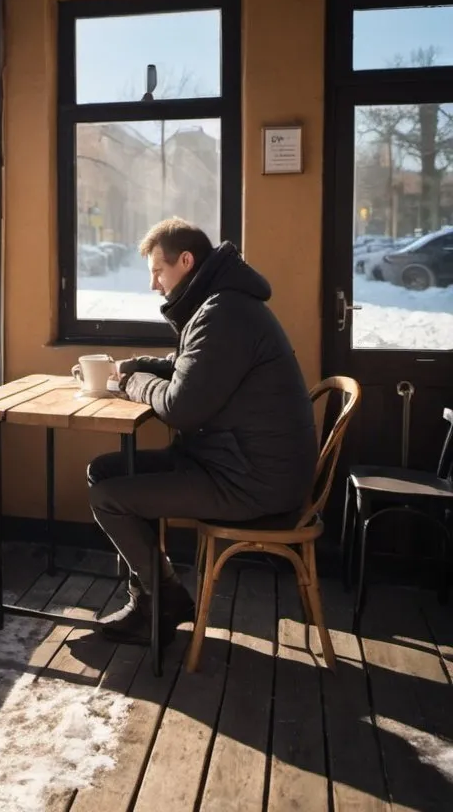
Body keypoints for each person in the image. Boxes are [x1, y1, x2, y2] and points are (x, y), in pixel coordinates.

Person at [89, 217, 317, 644]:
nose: (154, 285)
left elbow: (180, 406)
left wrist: (128, 383)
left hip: (251, 479)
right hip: (233, 460)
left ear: (186, 261)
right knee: (105, 471)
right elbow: (189, 369)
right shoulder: (221, 303)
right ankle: (153, 597)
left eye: (158, 271)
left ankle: (165, 599)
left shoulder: (224, 313)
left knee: (109, 497)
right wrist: (136, 365)